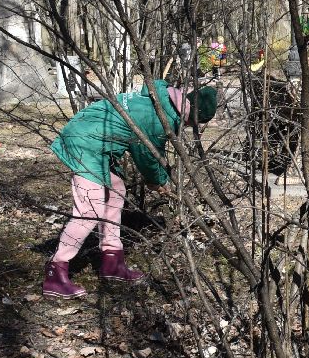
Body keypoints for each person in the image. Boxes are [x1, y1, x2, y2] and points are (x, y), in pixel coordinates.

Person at [41, 80, 217, 298]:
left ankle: (112, 262)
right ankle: (55, 272)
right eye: (191, 124)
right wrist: (159, 182)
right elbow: (148, 156)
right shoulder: (159, 118)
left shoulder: (161, 98)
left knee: (116, 192)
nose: (188, 128)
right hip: (85, 142)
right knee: (90, 210)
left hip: (95, 138)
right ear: (191, 116)